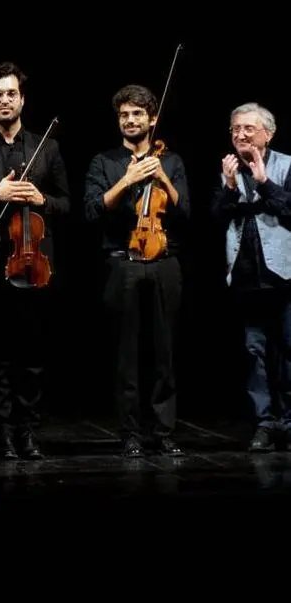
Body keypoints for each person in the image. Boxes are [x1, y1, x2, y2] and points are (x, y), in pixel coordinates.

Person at [0, 62, 70, 459]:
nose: (5, 100)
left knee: (33, 358)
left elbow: (66, 203)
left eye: (11, 93)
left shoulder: (47, 147)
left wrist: (42, 200)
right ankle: (4, 435)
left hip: (35, 267)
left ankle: (29, 433)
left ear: (22, 99)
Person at [83, 84, 190, 458]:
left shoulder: (171, 161)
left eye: (137, 114)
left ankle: (163, 432)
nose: (130, 121)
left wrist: (161, 179)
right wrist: (126, 180)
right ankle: (129, 432)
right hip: (121, 263)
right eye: (124, 115)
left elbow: (184, 211)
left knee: (165, 352)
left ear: (152, 119)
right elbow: (92, 210)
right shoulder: (104, 162)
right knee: (125, 354)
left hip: (164, 264)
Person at [211, 103, 291, 452]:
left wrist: (265, 183)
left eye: (248, 128)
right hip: (246, 279)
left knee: (288, 351)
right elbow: (216, 218)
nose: (240, 135)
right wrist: (229, 187)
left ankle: (288, 422)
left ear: (268, 134)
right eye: (235, 129)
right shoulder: (228, 169)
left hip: (283, 276)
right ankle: (265, 422)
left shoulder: (287, 165)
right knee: (253, 352)